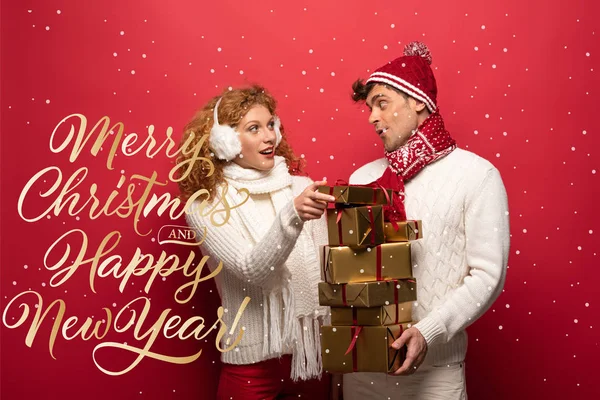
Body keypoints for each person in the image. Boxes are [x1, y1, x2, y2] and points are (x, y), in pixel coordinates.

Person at [343, 42, 510, 399]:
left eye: (382, 103)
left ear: (418, 101)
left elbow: (487, 275)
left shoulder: (476, 175)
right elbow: (347, 273)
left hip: (436, 376)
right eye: (369, 107)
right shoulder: (361, 180)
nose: (372, 117)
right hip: (362, 374)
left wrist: (428, 331)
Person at [178, 85, 336, 399]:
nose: (269, 136)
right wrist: (292, 216)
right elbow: (252, 269)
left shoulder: (302, 187)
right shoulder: (205, 204)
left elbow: (329, 270)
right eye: (254, 128)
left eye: (271, 125)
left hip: (310, 359)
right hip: (251, 369)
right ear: (224, 141)